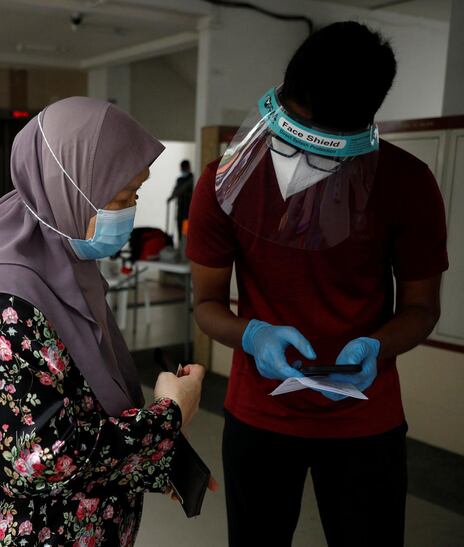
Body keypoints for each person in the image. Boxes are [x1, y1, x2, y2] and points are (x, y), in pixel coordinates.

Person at [0, 97, 210, 545]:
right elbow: (40, 458)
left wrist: (157, 456)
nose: (130, 211)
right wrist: (170, 415)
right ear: (69, 188)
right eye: (122, 197)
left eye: (136, 194)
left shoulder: (63, 261)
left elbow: (78, 399)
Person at [187, 22, 448, 547]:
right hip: (259, 413)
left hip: (364, 421)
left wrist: (379, 344)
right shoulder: (224, 180)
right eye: (292, 123)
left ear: (361, 123)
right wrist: (252, 335)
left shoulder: (407, 183)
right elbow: (208, 302)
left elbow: (422, 307)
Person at [169, 159, 194, 244]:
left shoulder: (192, 178)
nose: (183, 170)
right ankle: (181, 247)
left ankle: (186, 248)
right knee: (179, 230)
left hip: (188, 210)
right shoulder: (179, 180)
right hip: (180, 210)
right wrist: (170, 198)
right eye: (182, 168)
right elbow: (175, 192)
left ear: (188, 168)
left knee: (186, 232)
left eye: (184, 168)